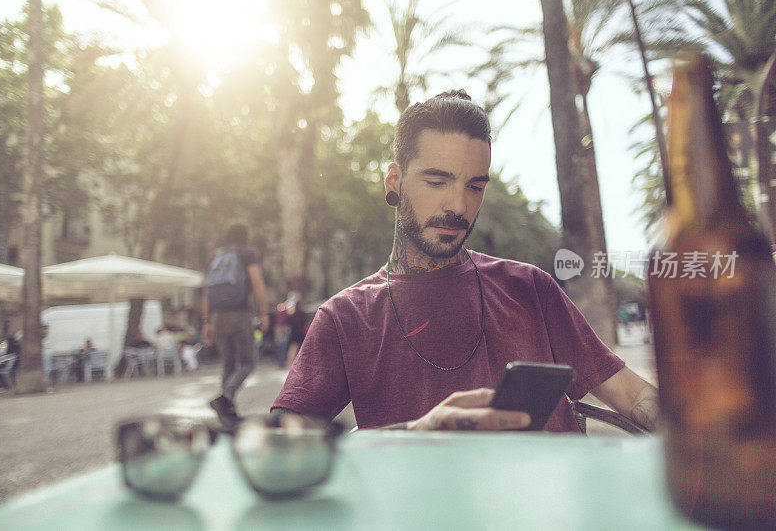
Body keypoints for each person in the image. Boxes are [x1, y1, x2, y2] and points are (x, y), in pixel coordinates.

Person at [272, 90, 659, 432]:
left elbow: (629, 394)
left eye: (475, 186)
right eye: (437, 182)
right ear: (394, 181)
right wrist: (414, 434)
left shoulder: (529, 288)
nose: (458, 206)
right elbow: (278, 446)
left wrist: (703, 429)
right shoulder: (346, 317)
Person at [203, 222, 269, 425]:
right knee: (248, 362)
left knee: (229, 364)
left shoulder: (216, 256)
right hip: (240, 314)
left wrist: (206, 321)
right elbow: (256, 282)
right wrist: (264, 312)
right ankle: (226, 397)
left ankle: (226, 412)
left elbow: (206, 290)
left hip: (218, 318)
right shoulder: (247, 253)